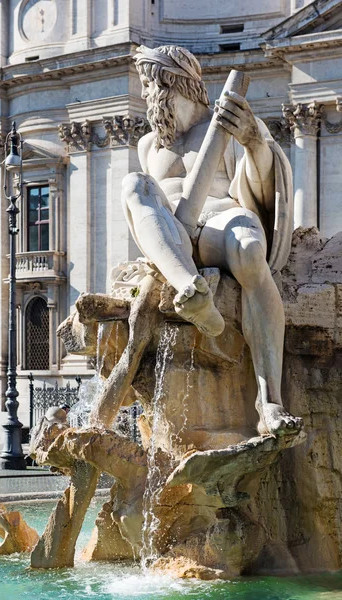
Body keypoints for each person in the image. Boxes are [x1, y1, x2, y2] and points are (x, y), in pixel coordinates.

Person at [120, 45, 303, 436]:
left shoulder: (230, 122)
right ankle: (193, 293)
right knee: (133, 183)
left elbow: (266, 182)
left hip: (222, 221)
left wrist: (253, 141)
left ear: (176, 82)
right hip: (173, 239)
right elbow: (146, 208)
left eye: (151, 85)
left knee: (251, 249)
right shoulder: (149, 145)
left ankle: (269, 401)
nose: (147, 95)